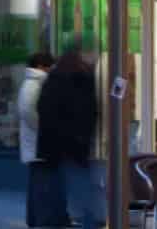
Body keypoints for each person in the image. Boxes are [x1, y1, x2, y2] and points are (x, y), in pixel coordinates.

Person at [36, 50, 100, 229]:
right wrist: (83, 137)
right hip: (74, 147)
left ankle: (60, 221)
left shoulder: (55, 80)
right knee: (80, 191)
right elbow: (90, 113)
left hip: (57, 148)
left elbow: (44, 111)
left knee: (58, 191)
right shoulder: (82, 80)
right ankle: (84, 222)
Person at [19, 52, 65, 227]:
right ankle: (41, 221)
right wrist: (43, 129)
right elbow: (27, 111)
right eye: (50, 66)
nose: (52, 69)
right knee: (41, 185)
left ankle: (35, 220)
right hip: (38, 145)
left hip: (36, 144)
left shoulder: (33, 83)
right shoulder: (34, 84)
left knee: (37, 185)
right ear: (41, 66)